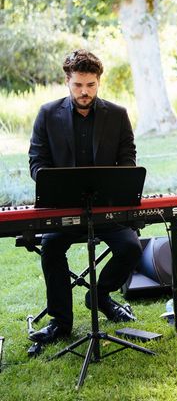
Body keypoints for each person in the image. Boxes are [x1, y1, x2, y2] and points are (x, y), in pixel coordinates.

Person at [27, 50, 142, 344]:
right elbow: (37, 161)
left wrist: (120, 181)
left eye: (90, 85)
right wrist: (50, 182)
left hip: (105, 208)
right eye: (78, 85)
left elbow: (128, 158)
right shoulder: (47, 113)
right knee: (52, 249)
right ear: (68, 81)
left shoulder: (117, 115)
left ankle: (100, 296)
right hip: (63, 208)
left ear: (98, 82)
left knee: (131, 247)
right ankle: (60, 322)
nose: (84, 91)